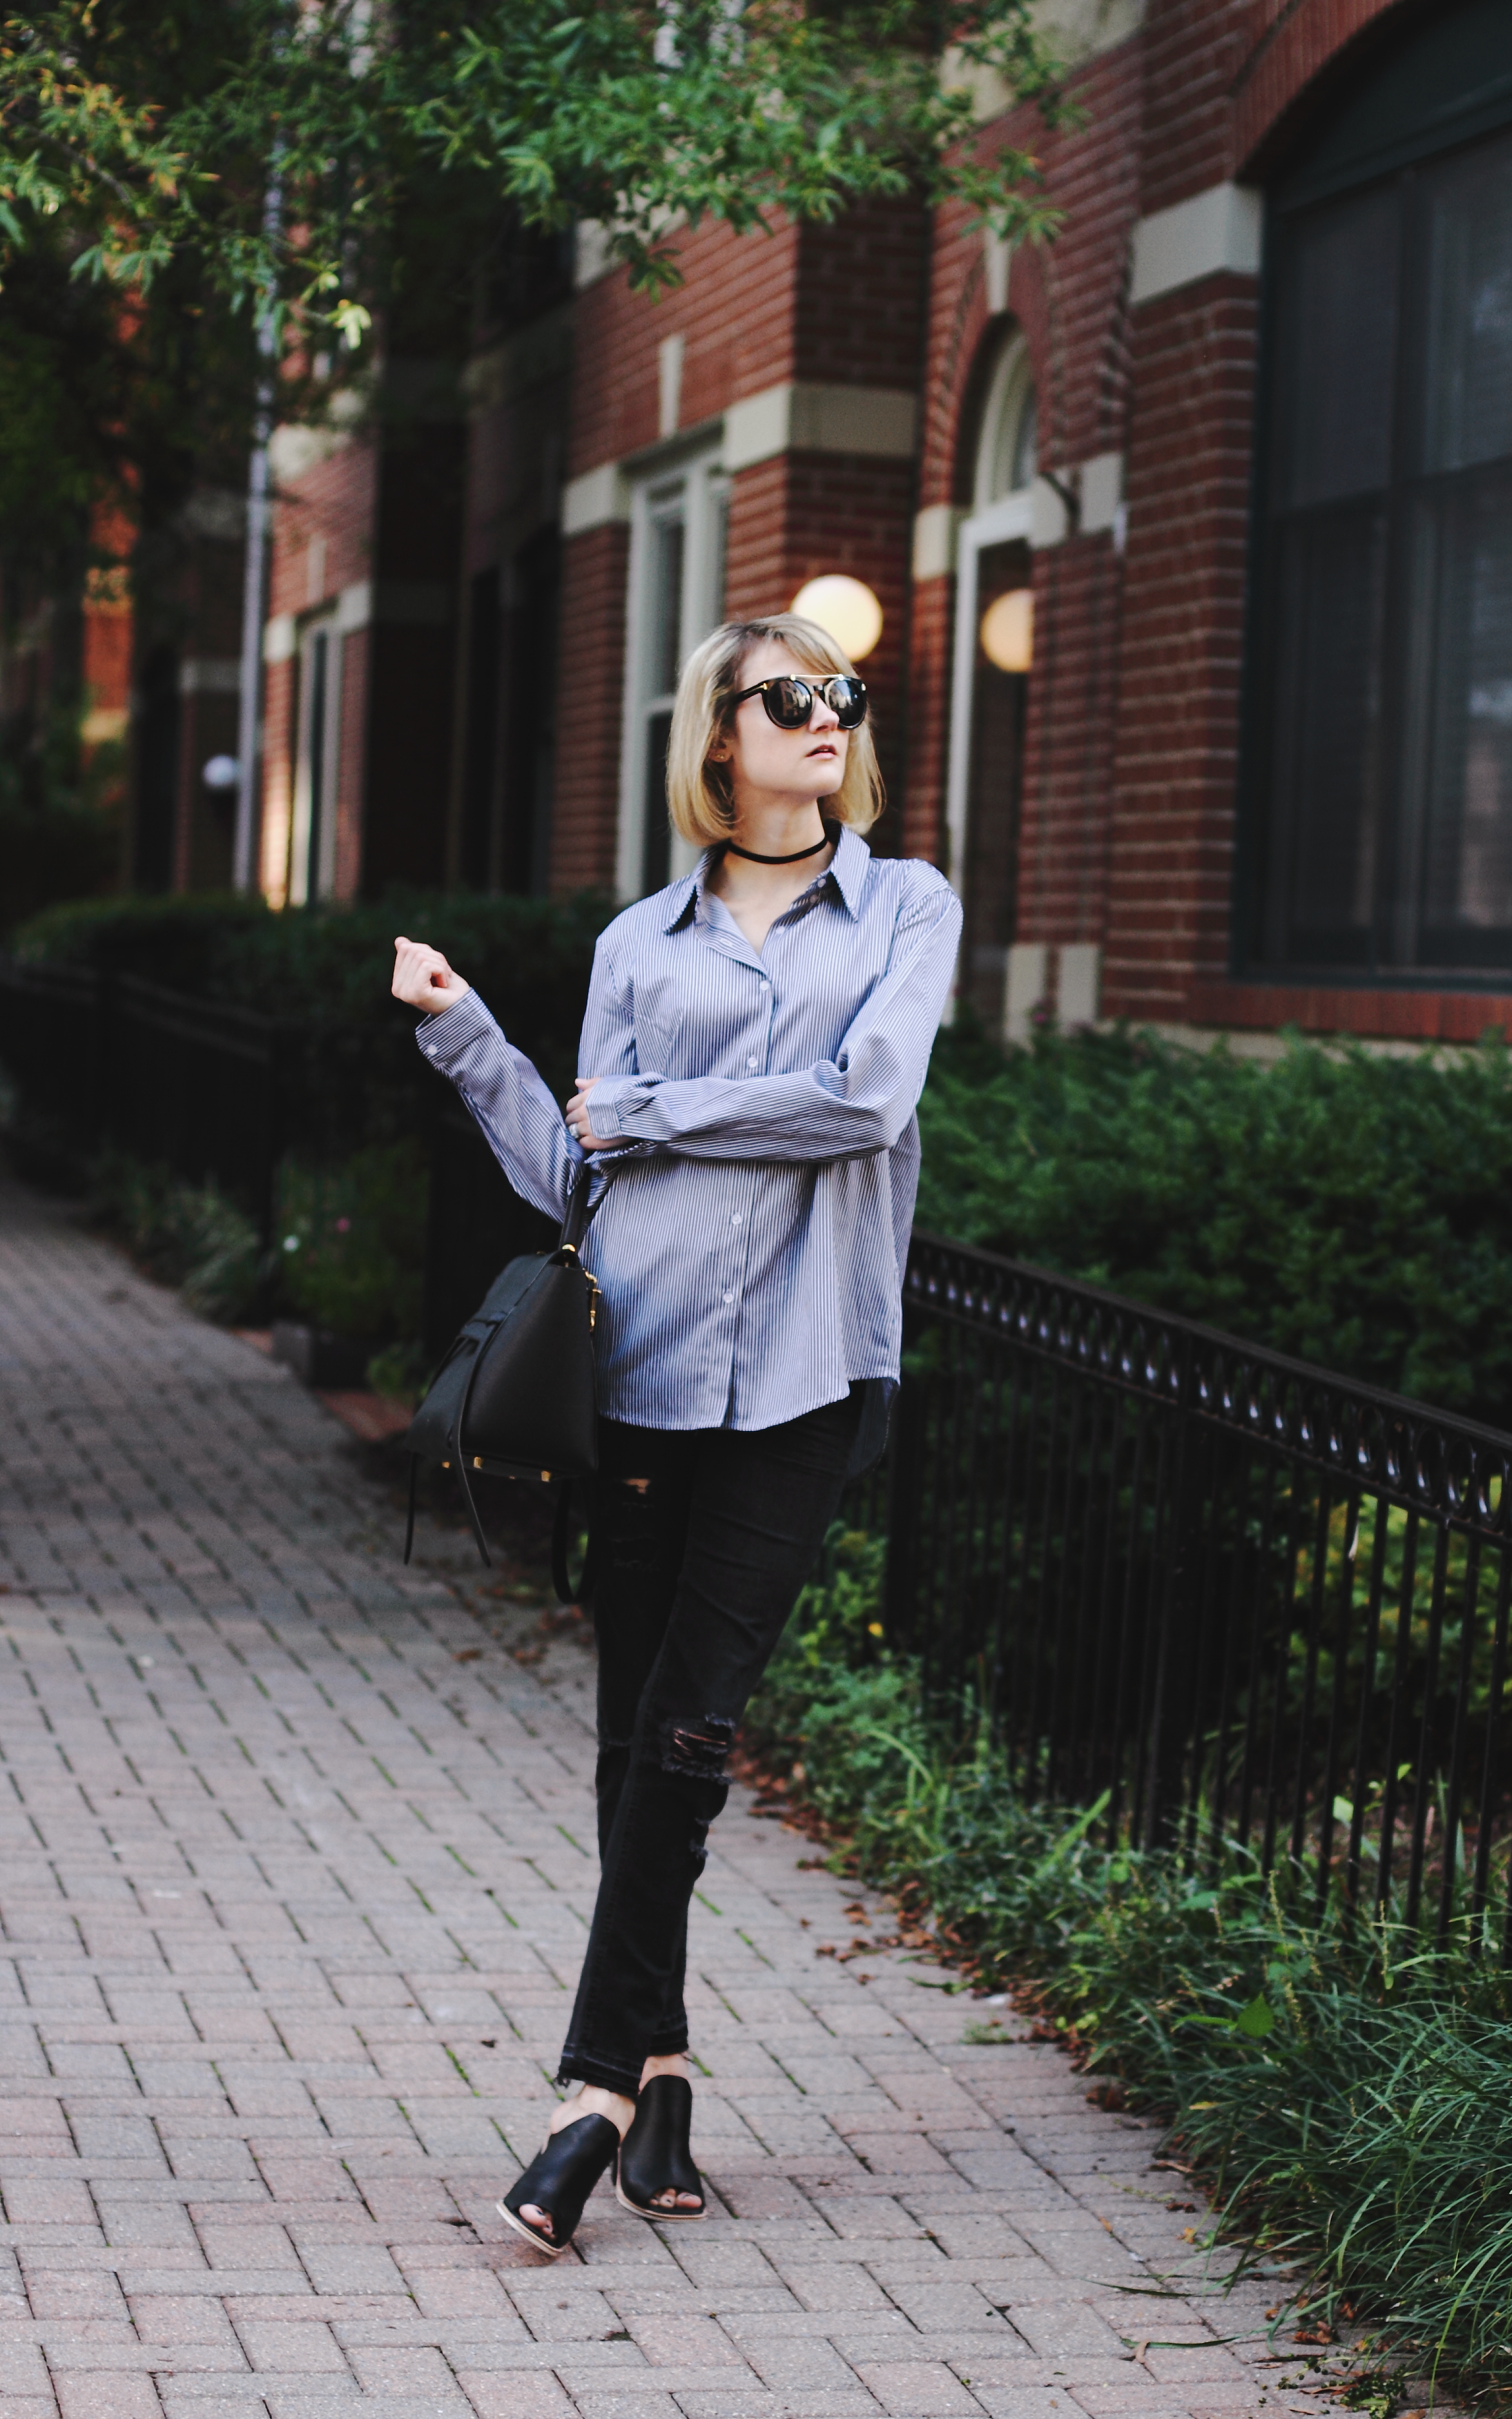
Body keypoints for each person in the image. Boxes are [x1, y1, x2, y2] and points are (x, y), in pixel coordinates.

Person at [390, 612, 961, 2255]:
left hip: (803, 1376)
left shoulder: (906, 905)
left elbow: (868, 1100)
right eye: (790, 699)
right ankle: (665, 2069)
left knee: (696, 1728)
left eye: (844, 699)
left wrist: (652, 1110)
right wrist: (467, 1034)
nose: (826, 720)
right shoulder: (641, 942)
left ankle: (588, 2101)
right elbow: (581, 1177)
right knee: (633, 1732)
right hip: (637, 1372)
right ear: (719, 734)